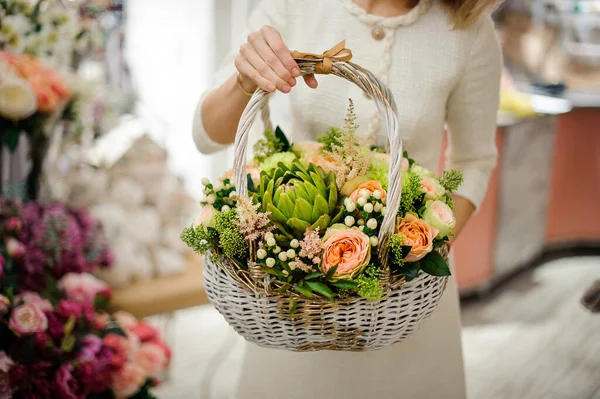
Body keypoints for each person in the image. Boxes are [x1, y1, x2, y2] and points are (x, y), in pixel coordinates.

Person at [193, 0, 501, 397]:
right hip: (295, 303)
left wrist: (410, 258)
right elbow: (206, 135)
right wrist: (243, 81)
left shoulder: (469, 29)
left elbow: (473, 162)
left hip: (408, 302)